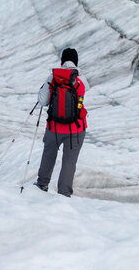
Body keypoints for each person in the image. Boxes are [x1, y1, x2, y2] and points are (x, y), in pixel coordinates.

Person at [34, 48, 88, 197]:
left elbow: (43, 100)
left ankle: (42, 185)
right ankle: (64, 194)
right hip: (76, 129)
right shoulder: (81, 78)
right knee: (69, 161)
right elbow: (84, 91)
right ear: (76, 61)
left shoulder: (53, 77)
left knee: (49, 155)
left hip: (54, 127)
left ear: (62, 61)